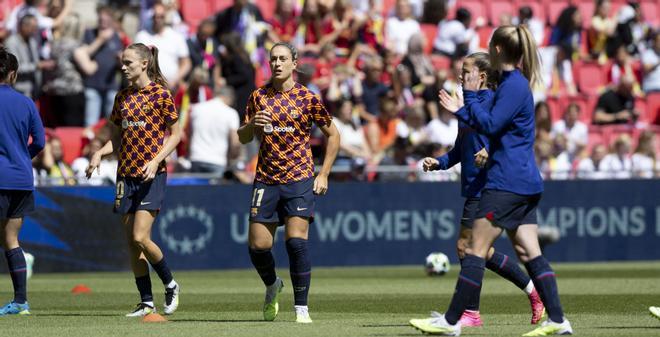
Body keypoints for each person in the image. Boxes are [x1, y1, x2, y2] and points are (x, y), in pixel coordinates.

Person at [411, 25, 573, 336]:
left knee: (473, 249)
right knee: (528, 253)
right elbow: (490, 131)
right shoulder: (515, 85)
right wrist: (463, 112)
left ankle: (452, 321)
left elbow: (491, 124)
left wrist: (465, 102)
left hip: (506, 181)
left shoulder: (511, 86)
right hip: (524, 181)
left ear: (497, 50)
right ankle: (558, 320)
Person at [422, 52, 544, 327]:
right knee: (479, 250)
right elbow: (460, 148)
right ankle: (533, 292)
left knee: (468, 247)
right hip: (474, 185)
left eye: (466, 71)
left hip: (490, 185)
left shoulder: (492, 102)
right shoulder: (468, 107)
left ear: (483, 76)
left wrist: (490, 150)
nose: (460, 76)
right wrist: (439, 162)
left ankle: (470, 313)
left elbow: (506, 137)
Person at [237, 42, 340, 324]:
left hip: (299, 177)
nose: (278, 63)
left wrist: (324, 173)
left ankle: (301, 309)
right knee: (258, 247)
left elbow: (334, 135)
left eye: (283, 58)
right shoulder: (258, 96)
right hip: (266, 179)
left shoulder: (308, 98)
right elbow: (243, 137)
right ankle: (272, 284)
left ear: (294, 63)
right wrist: (251, 126)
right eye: (273, 59)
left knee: (296, 242)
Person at [85, 43, 181, 317]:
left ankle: (171, 284)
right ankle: (146, 301)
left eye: (128, 63)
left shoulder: (161, 95)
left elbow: (176, 135)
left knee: (141, 236)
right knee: (131, 242)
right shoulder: (122, 98)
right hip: (125, 175)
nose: (124, 67)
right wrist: (98, 154)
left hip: (151, 174)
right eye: (122, 63)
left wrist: (155, 160)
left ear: (143, 64)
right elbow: (116, 139)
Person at [0, 47, 45, 316]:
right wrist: (21, 158)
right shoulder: (27, 103)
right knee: (11, 239)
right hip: (20, 179)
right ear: (13, 74)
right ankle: (20, 302)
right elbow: (39, 141)